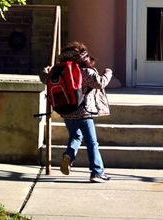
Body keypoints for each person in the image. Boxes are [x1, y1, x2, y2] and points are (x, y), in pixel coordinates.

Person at [41, 40, 112, 183]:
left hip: (67, 112)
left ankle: (69, 155)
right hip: (84, 113)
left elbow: (45, 79)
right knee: (92, 143)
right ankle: (97, 172)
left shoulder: (58, 70)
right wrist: (108, 73)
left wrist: (44, 71)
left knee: (75, 137)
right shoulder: (85, 71)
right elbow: (100, 83)